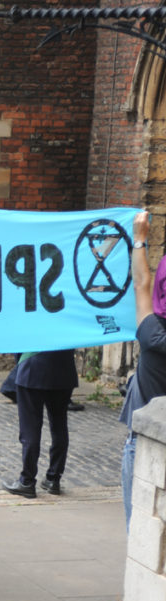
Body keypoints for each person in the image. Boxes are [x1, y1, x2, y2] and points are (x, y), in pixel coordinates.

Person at [120, 211, 166, 529]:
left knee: (141, 531)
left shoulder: (154, 336)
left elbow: (141, 283)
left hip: (148, 443)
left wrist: (139, 238)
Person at [1, 348, 78, 499]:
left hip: (32, 368)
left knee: (30, 429)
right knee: (59, 426)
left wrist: (21, 363)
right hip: (64, 369)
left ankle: (27, 481)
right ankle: (53, 478)